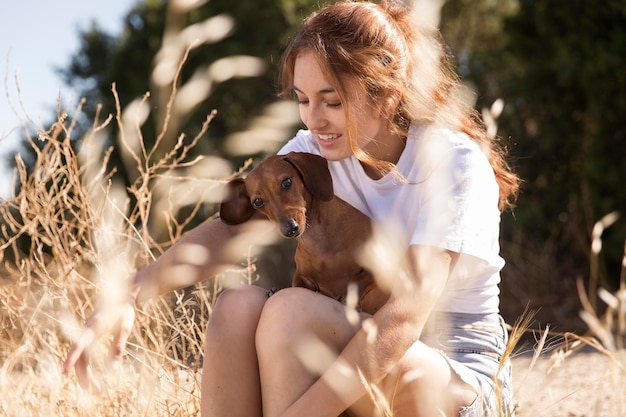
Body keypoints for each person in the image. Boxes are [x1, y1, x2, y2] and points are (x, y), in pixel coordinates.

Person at [63, 1, 520, 416]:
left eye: (332, 101)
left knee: (291, 313)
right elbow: (228, 229)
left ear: (387, 95)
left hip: (457, 376)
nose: (313, 119)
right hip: (358, 349)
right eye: (303, 100)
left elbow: (403, 320)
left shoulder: (453, 164)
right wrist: (129, 291)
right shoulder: (315, 152)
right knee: (238, 307)